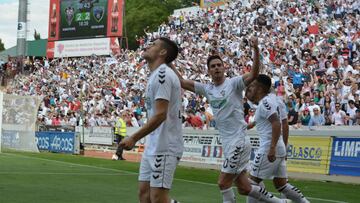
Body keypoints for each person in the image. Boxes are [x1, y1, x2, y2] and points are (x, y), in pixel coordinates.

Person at [171, 37, 287, 203]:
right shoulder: (207, 89)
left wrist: (255, 49)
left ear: (224, 68)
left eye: (219, 65)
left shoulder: (234, 84)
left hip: (238, 141)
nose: (217, 68)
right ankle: (280, 202)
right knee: (244, 188)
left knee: (223, 182)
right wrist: (169, 62)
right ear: (208, 71)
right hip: (228, 143)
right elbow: (182, 82)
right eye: (213, 66)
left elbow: (254, 73)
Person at [120, 37, 182, 203]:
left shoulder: (163, 74)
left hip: (165, 146)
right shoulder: (154, 75)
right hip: (153, 145)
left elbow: (161, 114)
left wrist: (134, 137)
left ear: (162, 52)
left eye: (153, 44)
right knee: (144, 195)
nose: (148, 46)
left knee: (158, 198)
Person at [245, 74, 309, 203]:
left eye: (253, 85)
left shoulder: (265, 103)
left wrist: (272, 148)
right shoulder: (276, 101)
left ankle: (280, 202)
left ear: (260, 88)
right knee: (281, 184)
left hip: (269, 146)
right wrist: (283, 147)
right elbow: (283, 124)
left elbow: (276, 123)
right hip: (279, 146)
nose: (251, 88)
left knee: (251, 183)